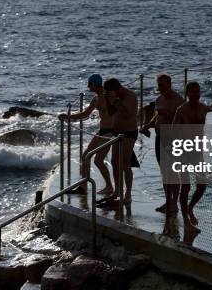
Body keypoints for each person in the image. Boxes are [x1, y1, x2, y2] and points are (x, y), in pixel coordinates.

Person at [59, 74, 114, 196]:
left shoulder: (110, 97)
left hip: (111, 132)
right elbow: (85, 114)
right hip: (102, 131)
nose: (88, 87)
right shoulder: (96, 99)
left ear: (95, 84)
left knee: (98, 161)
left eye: (89, 84)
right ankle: (83, 187)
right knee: (85, 156)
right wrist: (68, 117)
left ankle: (110, 187)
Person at [141, 74, 184, 214]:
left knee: (172, 171)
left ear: (169, 84)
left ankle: (174, 203)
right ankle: (168, 201)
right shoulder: (159, 99)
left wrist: (167, 114)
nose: (160, 88)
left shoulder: (178, 100)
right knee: (164, 172)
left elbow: (182, 122)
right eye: (159, 85)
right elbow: (156, 116)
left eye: (163, 85)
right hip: (159, 138)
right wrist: (148, 125)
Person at [172, 81, 210, 232]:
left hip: (198, 152)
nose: (195, 94)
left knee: (202, 186)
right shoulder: (181, 110)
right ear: (187, 94)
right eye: (192, 91)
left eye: (198, 91)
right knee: (186, 186)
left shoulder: (204, 109)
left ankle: (189, 208)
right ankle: (187, 221)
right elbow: (173, 131)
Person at [102, 78, 138, 206]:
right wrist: (107, 99)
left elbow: (127, 114)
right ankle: (117, 190)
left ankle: (128, 193)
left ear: (118, 89)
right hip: (117, 133)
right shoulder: (112, 97)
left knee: (125, 163)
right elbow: (111, 112)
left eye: (110, 92)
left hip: (129, 132)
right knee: (114, 162)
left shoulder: (130, 96)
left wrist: (116, 101)